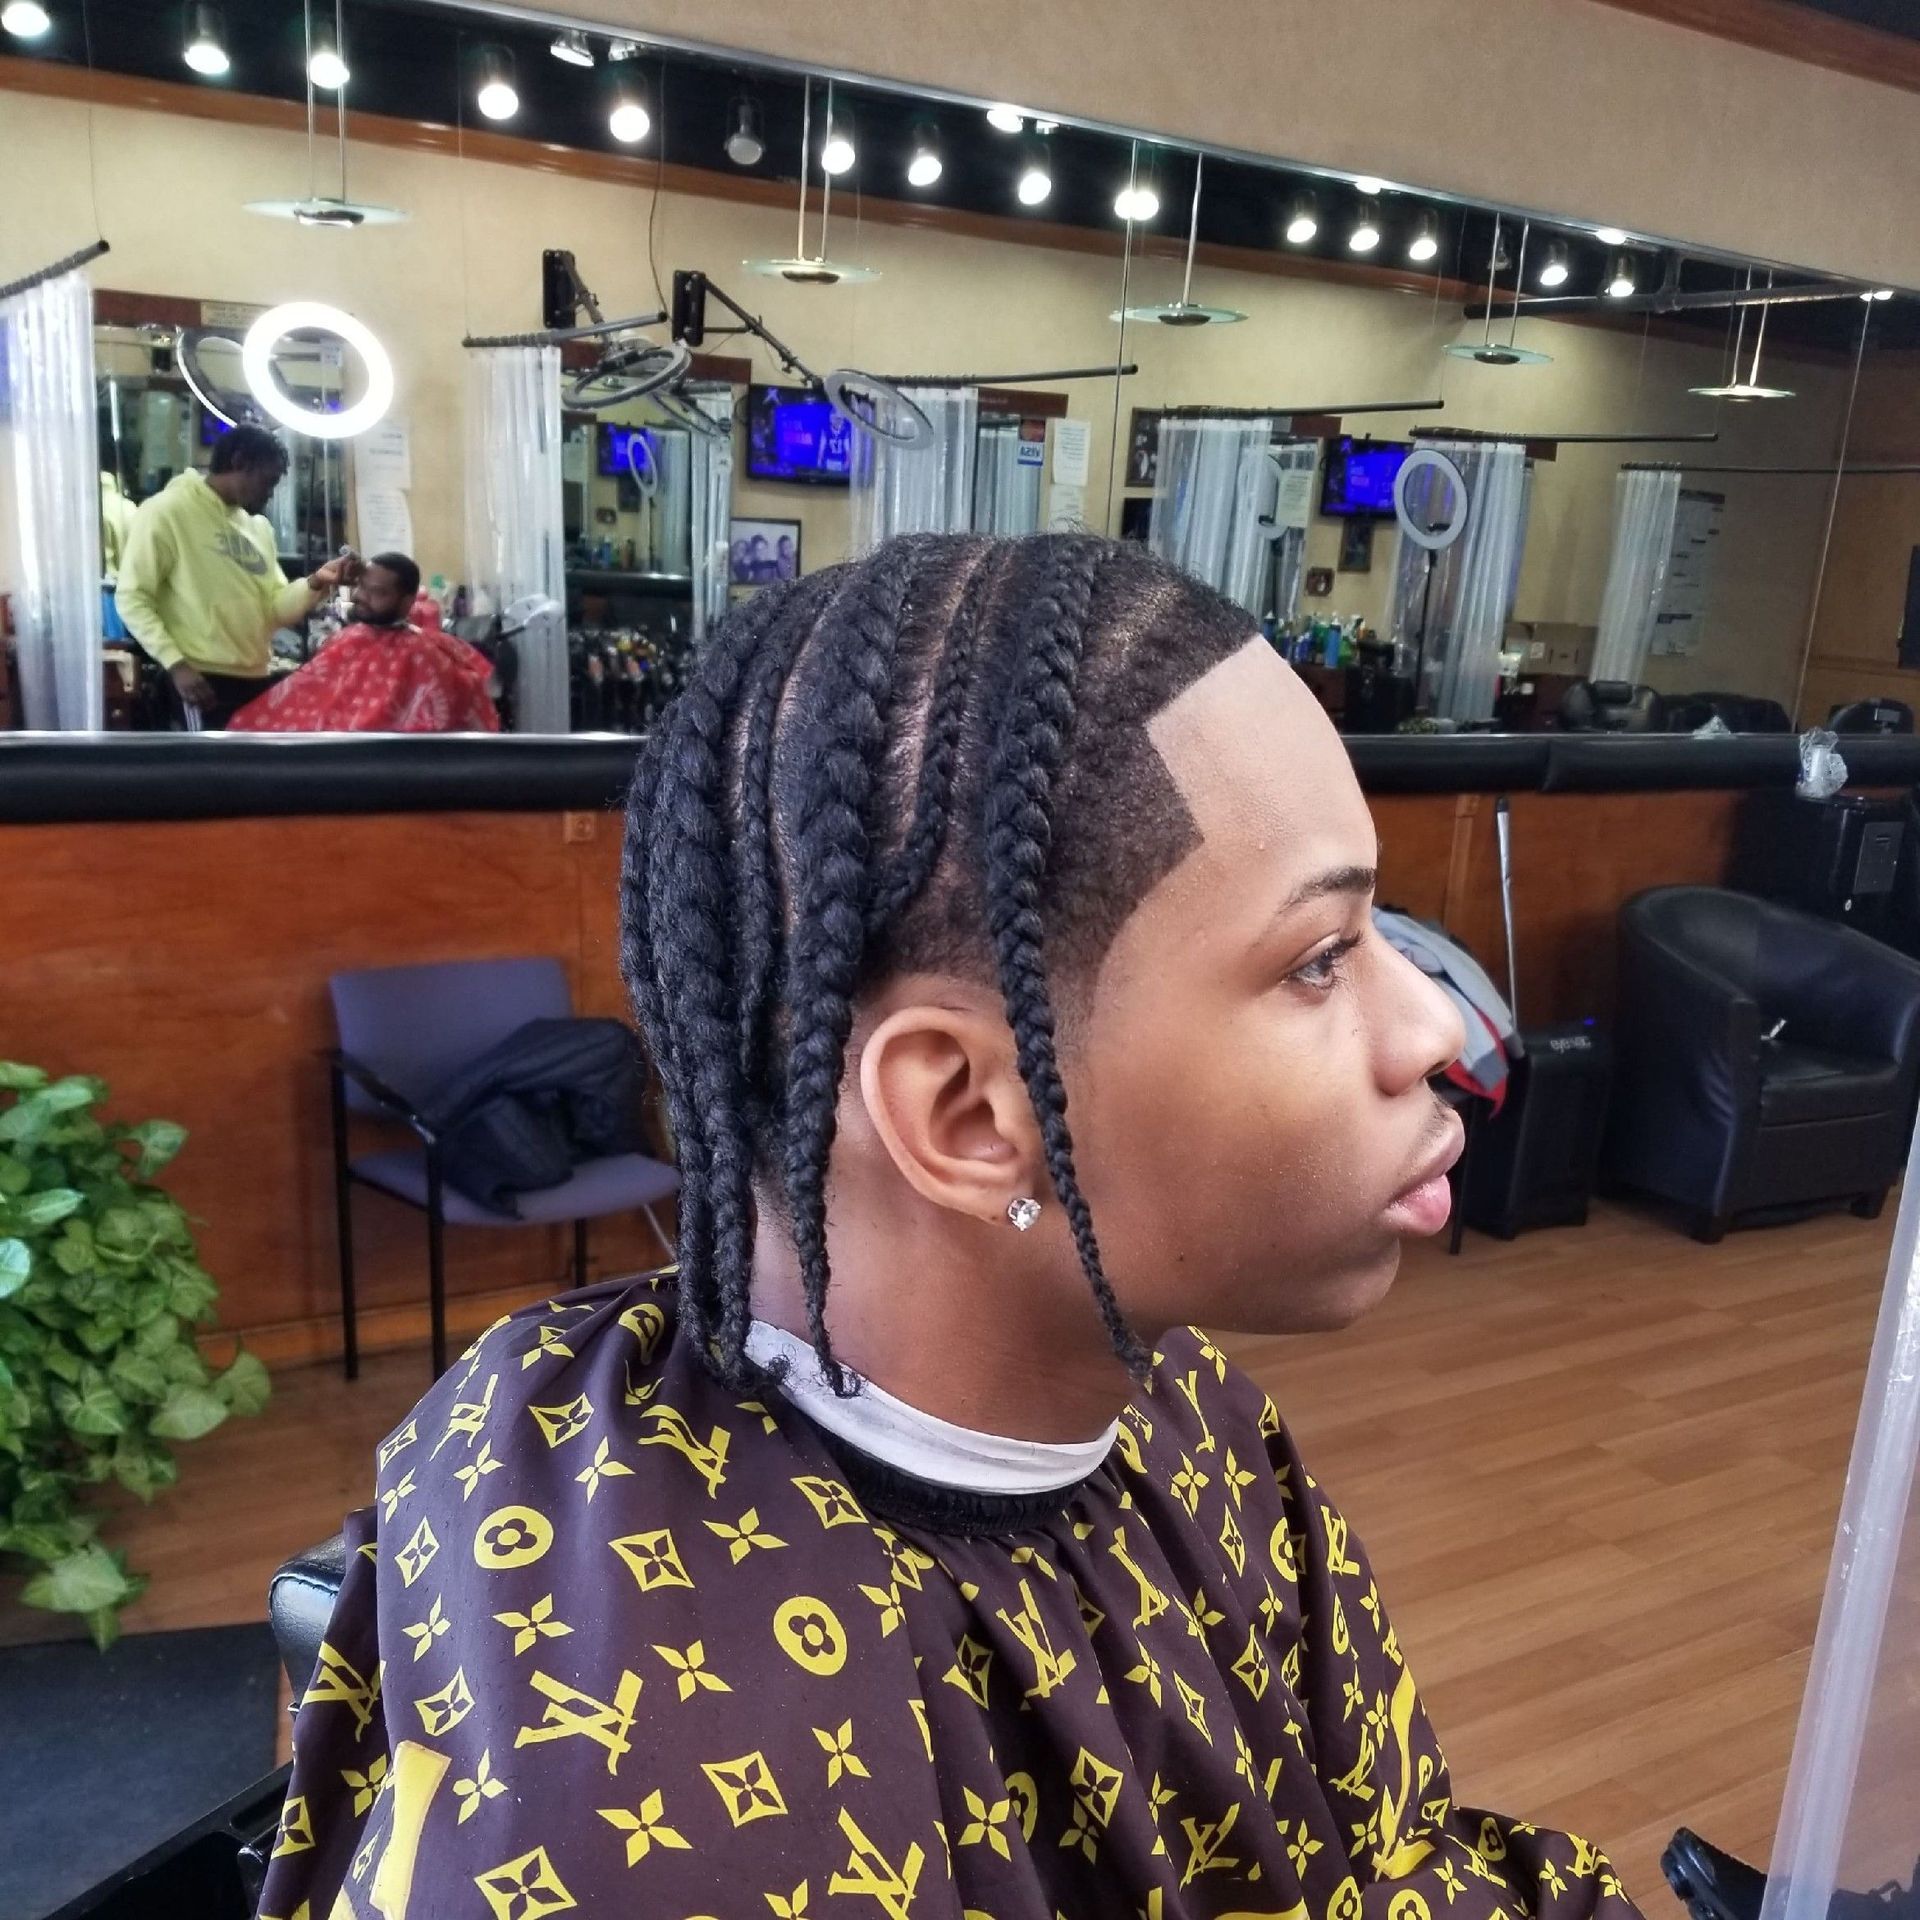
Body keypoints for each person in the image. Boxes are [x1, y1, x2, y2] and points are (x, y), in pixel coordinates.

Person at [257, 535, 1644, 1920]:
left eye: (1379, 926)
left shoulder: (1188, 1405)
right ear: (972, 1115)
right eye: (1321, 958)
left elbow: (1377, 1858)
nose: (1441, 1028)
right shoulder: (638, 1798)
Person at [114, 423, 355, 729]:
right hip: (201, 678)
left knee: (251, 775)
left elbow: (275, 609)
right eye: (266, 481)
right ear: (239, 462)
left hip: (255, 677)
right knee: (211, 775)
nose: (269, 494)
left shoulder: (257, 529)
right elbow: (132, 598)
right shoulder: (166, 512)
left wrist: (317, 582)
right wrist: (176, 664)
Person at [227, 553, 499, 734]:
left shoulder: (425, 652)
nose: (360, 596)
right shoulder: (348, 638)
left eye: (376, 592)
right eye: (361, 586)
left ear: (406, 601)